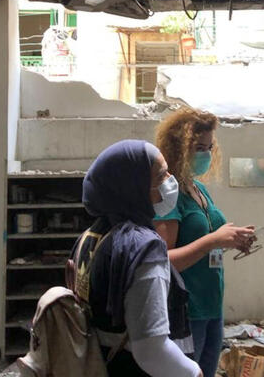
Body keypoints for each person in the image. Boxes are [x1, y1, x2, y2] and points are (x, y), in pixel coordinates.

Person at [69, 139, 202, 377]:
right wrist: (193, 372)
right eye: (161, 176)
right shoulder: (142, 247)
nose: (170, 181)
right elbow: (151, 349)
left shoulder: (91, 237)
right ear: (133, 187)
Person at [154, 108, 255, 377]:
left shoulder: (199, 189)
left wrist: (231, 240)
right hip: (187, 310)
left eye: (210, 147)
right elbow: (163, 260)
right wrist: (213, 240)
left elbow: (206, 240)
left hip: (212, 305)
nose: (206, 154)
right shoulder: (169, 196)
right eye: (199, 147)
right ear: (179, 147)